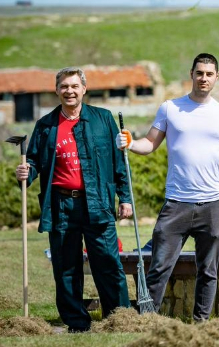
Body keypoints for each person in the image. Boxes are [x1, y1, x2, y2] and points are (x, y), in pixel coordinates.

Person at [117, 53, 219, 321]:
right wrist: (130, 142)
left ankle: (201, 324)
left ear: (216, 77)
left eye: (209, 74)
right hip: (176, 204)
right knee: (160, 267)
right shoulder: (170, 108)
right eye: (199, 73)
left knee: (208, 270)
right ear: (191, 74)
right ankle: (146, 320)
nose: (204, 78)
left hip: (212, 205)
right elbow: (150, 144)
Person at [15, 67, 132, 332]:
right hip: (61, 205)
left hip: (98, 201)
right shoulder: (45, 125)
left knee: (108, 262)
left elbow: (118, 162)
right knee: (66, 266)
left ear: (84, 89)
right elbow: (33, 159)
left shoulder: (103, 119)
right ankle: (77, 322)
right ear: (56, 90)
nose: (69, 91)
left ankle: (119, 318)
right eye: (64, 86)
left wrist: (124, 197)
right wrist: (27, 170)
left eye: (74, 86)